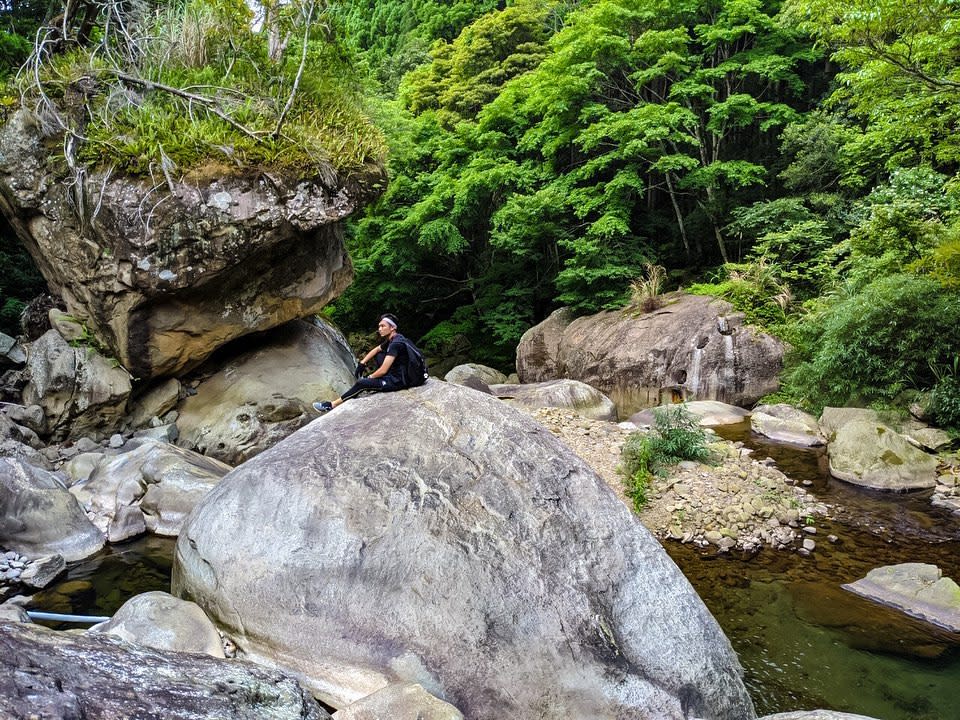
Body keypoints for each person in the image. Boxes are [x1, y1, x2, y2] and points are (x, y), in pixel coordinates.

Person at [313, 313, 412, 413]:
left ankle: (331, 405)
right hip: (399, 373)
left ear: (392, 328)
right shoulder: (395, 338)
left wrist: (369, 377)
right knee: (379, 354)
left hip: (399, 381)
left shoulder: (395, 344)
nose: (380, 329)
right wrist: (362, 363)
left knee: (362, 383)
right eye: (379, 326)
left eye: (383, 326)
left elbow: (383, 370)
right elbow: (376, 349)